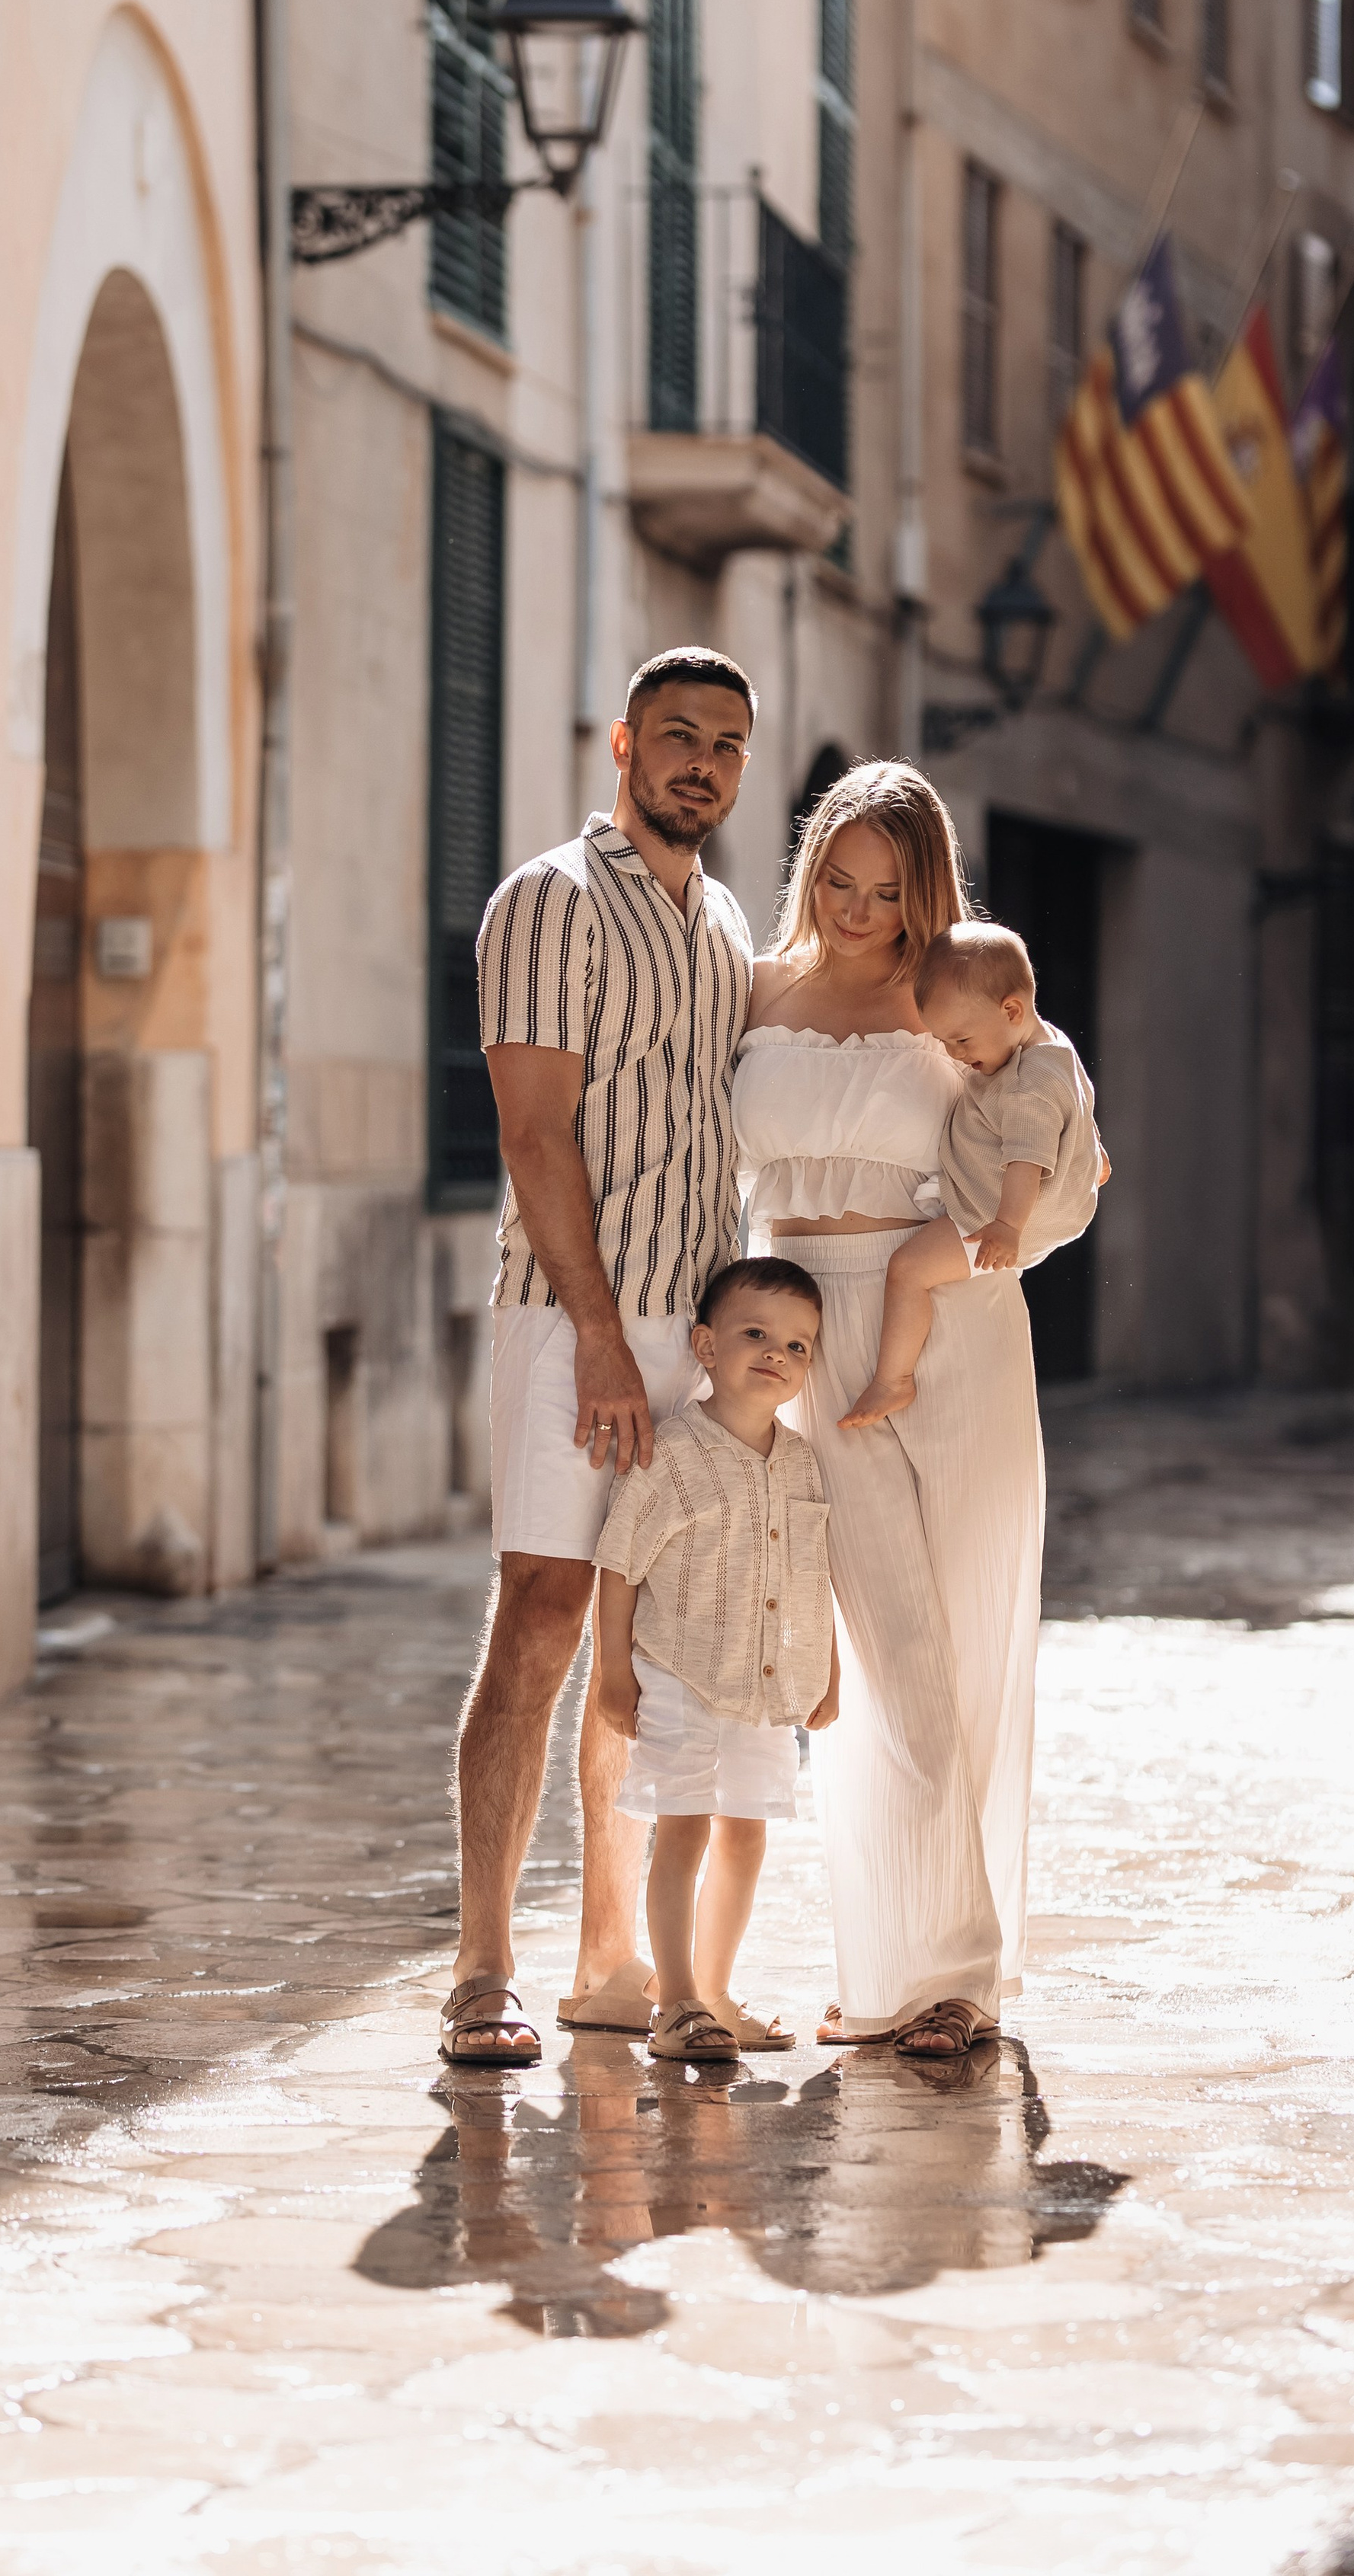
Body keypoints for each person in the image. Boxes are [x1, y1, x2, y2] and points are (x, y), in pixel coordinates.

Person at [440, 648, 757, 2069]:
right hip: (579, 1318)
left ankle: (611, 1957)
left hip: (694, 1329)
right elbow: (534, 1132)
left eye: (728, 746)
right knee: (548, 1615)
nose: (702, 763)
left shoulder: (726, 923)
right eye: (678, 736)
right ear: (622, 744)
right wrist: (596, 1337)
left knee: (655, 1639)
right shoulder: (547, 901)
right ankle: (482, 1964)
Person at [730, 762, 1044, 2061]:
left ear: (928, 887)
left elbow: (1055, 1125)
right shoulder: (753, 989)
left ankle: (934, 1973)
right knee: (889, 1654)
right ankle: (920, 1966)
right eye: (838, 882)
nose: (860, 911)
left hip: (952, 1322)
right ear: (811, 870)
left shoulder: (956, 996)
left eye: (887, 888)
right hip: (810, 1332)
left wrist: (1003, 1235)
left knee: (969, 1640)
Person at [592, 1258, 840, 2063]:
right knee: (684, 1830)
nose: (777, 1354)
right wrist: (613, 1673)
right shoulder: (670, 1455)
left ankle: (716, 1990)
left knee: (746, 1836)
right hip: (681, 1678)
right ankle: (677, 2002)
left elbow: (813, 1574)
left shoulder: (803, 1464)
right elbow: (619, 1563)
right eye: (756, 1334)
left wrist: (827, 1672)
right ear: (705, 1344)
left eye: (798, 1346)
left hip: (764, 1689)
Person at [839, 922, 1103, 1430]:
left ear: (1011, 1011)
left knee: (908, 1270)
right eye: (944, 1040)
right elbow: (1079, 1103)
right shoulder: (1051, 1045)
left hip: (997, 1214)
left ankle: (893, 1379)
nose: (955, 1053)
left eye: (962, 1039)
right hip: (1050, 1205)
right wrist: (1090, 1154)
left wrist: (1005, 1225)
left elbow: (1025, 1159)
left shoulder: (1027, 1089)